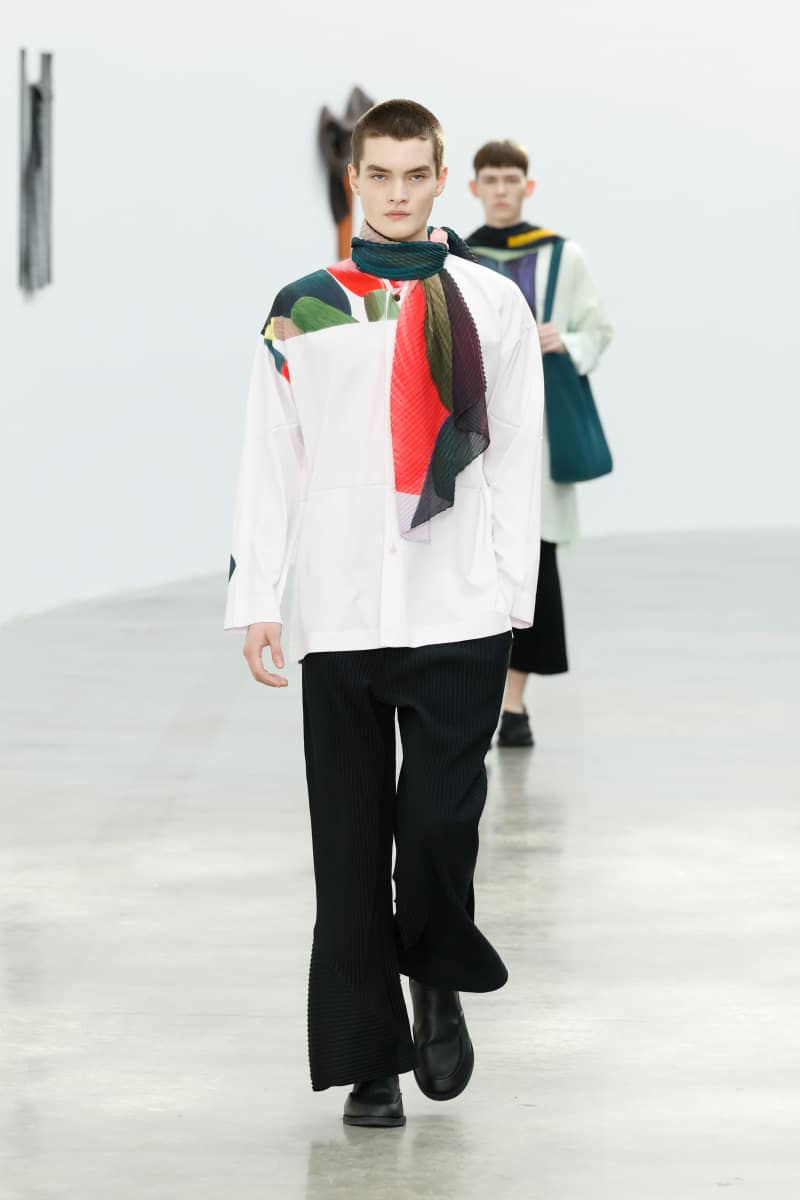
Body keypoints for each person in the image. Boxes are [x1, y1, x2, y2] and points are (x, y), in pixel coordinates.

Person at [225, 101, 544, 1128]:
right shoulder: (304, 307)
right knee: (351, 840)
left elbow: (514, 454)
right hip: (341, 606)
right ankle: (370, 1057)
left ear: (441, 177)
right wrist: (257, 595)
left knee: (441, 823)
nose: (397, 193)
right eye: (379, 174)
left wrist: (511, 593)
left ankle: (435, 974)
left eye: (415, 174)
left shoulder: (487, 301)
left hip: (459, 602)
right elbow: (271, 457)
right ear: (353, 179)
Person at [467, 140, 614, 749]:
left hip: (541, 428)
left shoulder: (562, 255)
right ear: (474, 187)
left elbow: (597, 329)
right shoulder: (458, 255)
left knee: (534, 562)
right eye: (491, 180)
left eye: (511, 180)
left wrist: (566, 340)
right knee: (472, 559)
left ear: (526, 187)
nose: (501, 190)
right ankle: (475, 698)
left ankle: (513, 704)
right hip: (476, 430)